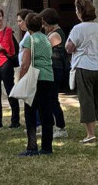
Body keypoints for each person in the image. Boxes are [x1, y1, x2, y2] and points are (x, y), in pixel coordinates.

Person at [66, 0, 98, 143]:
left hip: (84, 66)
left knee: (86, 100)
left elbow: (69, 48)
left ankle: (90, 133)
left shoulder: (78, 29)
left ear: (80, 12)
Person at [18, 13, 58, 157]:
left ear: (27, 26)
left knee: (30, 113)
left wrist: (21, 80)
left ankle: (32, 147)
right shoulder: (47, 39)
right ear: (41, 25)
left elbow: (25, 63)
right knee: (46, 113)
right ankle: (47, 147)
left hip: (35, 78)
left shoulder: (30, 40)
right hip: (48, 77)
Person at [39, 8, 68, 138]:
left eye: (45, 24)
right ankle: (50, 125)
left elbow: (44, 50)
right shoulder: (53, 33)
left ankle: (61, 127)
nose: (44, 27)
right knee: (48, 98)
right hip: (52, 69)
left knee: (52, 99)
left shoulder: (55, 34)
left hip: (55, 69)